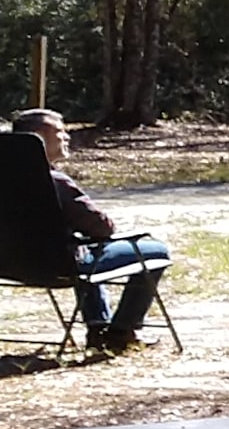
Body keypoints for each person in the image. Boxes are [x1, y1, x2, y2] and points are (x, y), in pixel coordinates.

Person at [1, 108, 170, 354]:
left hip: (10, 266)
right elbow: (101, 228)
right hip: (61, 266)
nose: (67, 137)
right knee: (156, 250)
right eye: (60, 131)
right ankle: (122, 332)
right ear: (39, 137)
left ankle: (98, 328)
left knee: (81, 246)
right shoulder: (55, 182)